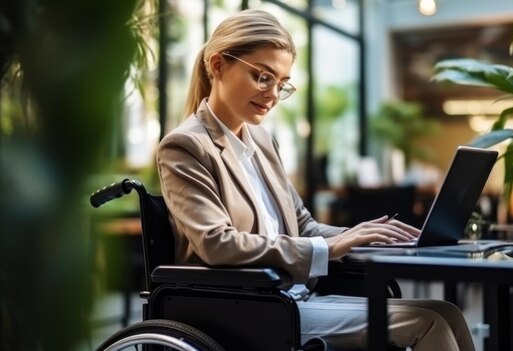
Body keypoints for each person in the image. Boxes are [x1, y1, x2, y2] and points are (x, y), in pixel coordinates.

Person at [156, 8, 475, 351]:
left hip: (291, 297)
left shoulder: (262, 141)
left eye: (281, 83)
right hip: (248, 307)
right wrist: (329, 247)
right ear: (218, 65)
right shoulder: (186, 145)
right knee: (428, 323)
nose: (273, 94)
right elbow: (217, 243)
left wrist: (363, 236)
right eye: (263, 77)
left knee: (447, 311)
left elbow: (303, 227)